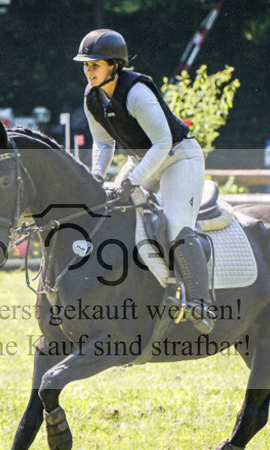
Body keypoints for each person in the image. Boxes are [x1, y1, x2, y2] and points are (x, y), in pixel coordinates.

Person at [75, 29, 214, 332]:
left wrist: (133, 181)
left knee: (176, 223)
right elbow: (103, 144)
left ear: (114, 65)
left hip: (179, 158)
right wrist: (97, 177)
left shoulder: (137, 92)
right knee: (111, 211)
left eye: (94, 65)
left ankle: (200, 302)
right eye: (85, 65)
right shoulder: (92, 98)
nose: (88, 71)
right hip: (143, 161)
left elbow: (163, 143)